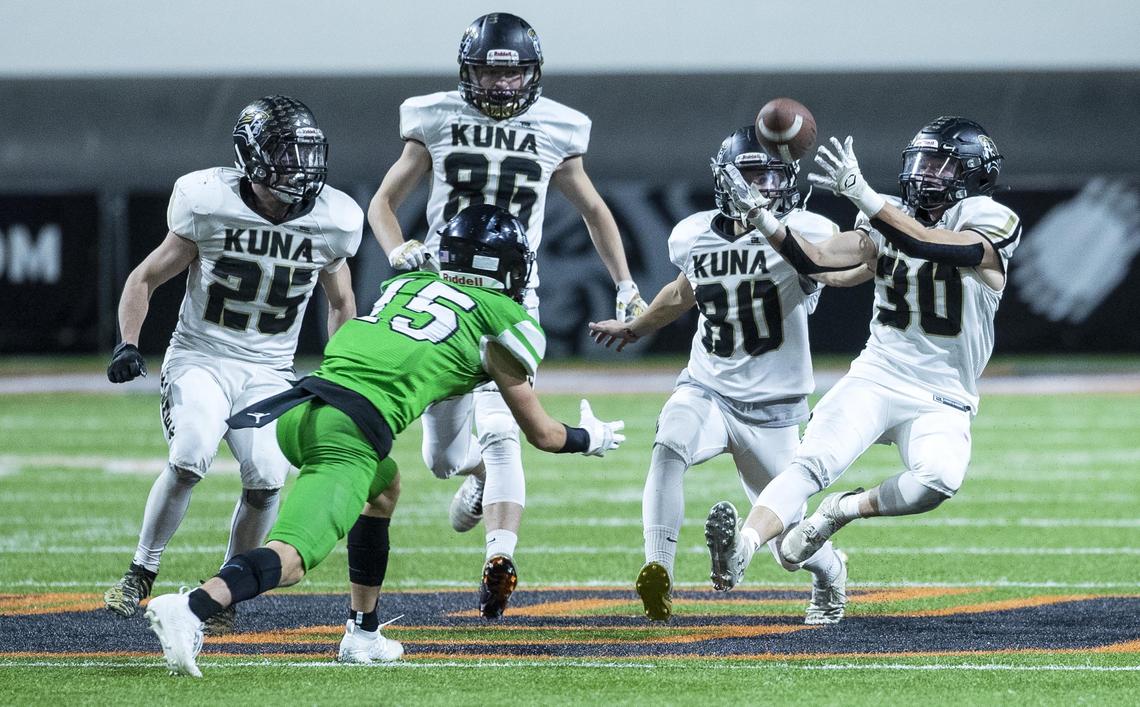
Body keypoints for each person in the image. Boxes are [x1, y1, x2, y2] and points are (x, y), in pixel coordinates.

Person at [143, 204, 625, 677]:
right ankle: (191, 607)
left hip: (299, 410)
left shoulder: (407, 283)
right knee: (291, 560)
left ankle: (363, 632)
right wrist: (591, 437)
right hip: (347, 431)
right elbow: (541, 433)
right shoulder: (503, 319)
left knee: (385, 487)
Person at [365, 12, 646, 617]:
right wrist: (397, 249)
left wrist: (625, 284)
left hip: (515, 299)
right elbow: (383, 202)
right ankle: (476, 482)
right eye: (487, 76)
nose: (499, 87)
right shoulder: (435, 117)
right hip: (443, 293)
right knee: (442, 460)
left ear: (531, 73)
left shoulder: (557, 128)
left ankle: (500, 556)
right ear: (467, 74)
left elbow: (595, 211)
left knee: (501, 430)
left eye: (512, 74)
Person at [702, 117, 1020, 603]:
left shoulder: (989, 220)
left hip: (943, 393)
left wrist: (866, 197)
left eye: (942, 165)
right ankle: (742, 549)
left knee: (938, 479)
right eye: (923, 161)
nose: (927, 174)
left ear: (975, 175)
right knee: (811, 463)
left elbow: (926, 243)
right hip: (879, 372)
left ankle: (841, 511)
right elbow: (815, 258)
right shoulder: (885, 215)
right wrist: (765, 220)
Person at [102, 95, 361, 636]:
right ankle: (140, 571)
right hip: (202, 356)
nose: (299, 170)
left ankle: (226, 589)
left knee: (268, 478)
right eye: (286, 156)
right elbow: (144, 278)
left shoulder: (334, 220)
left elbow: (341, 304)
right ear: (252, 156)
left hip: (270, 370)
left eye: (305, 155)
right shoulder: (209, 201)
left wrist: (339, 371)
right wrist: (128, 341)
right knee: (191, 453)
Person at [589, 127, 871, 623]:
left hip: (774, 408)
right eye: (753, 174)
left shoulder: (802, 230)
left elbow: (837, 272)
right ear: (725, 179)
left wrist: (878, 253)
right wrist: (636, 328)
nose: (764, 186)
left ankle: (831, 573)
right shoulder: (693, 233)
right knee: (669, 444)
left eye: (774, 176)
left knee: (790, 544)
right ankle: (658, 570)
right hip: (709, 387)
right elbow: (683, 292)